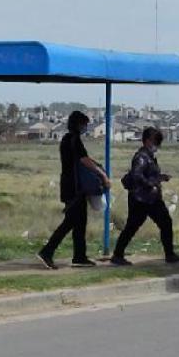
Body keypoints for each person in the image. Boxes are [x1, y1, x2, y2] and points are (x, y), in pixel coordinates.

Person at [37, 111, 111, 270]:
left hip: (70, 185)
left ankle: (79, 256)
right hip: (75, 187)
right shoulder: (74, 140)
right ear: (78, 124)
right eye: (84, 124)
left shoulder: (66, 139)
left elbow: (84, 158)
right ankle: (47, 252)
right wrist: (102, 174)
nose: (85, 127)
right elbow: (84, 160)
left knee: (80, 222)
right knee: (70, 222)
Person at [110, 127, 179, 266]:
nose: (157, 145)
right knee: (140, 225)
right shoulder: (142, 157)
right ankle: (118, 255)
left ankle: (169, 254)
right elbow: (137, 175)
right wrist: (152, 184)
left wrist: (160, 178)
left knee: (159, 223)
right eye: (156, 142)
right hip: (142, 199)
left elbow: (148, 175)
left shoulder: (148, 157)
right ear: (148, 141)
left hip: (149, 199)